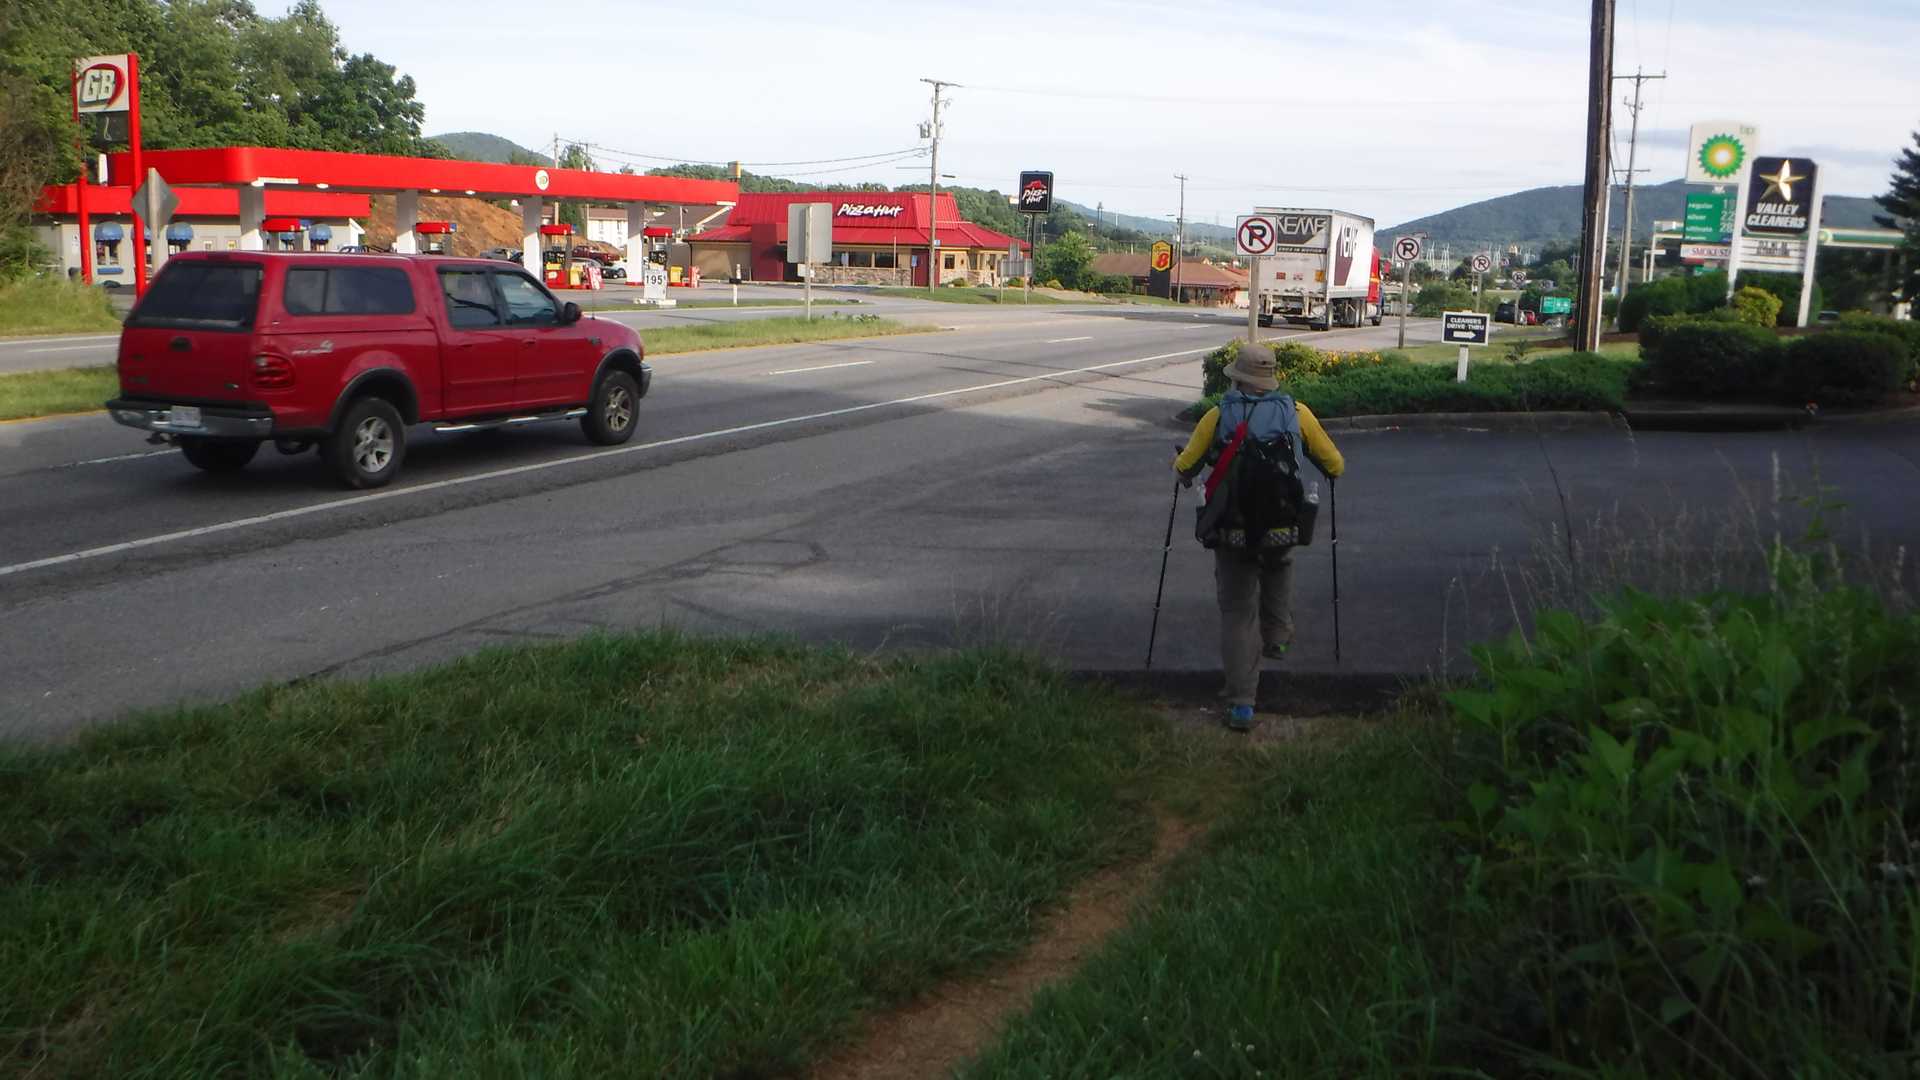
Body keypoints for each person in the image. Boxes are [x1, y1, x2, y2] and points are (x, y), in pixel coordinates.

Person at [1173, 347, 1344, 731]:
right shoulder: (1297, 413)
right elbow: (1335, 465)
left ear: (1237, 379)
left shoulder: (1217, 416)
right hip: (1283, 528)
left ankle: (1241, 705)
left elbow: (1185, 467)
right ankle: (1278, 636)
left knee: (1237, 612)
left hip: (1232, 531)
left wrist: (1182, 468)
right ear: (1271, 379)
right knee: (1279, 564)